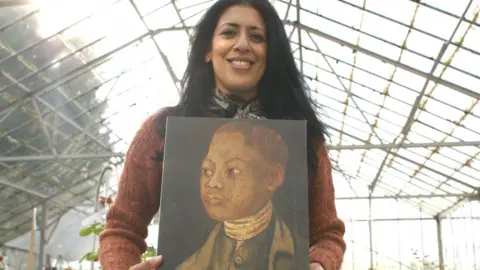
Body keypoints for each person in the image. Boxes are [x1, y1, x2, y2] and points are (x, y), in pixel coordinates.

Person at [98, 0, 346, 269]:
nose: (242, 44)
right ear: (207, 50)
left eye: (256, 36)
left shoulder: (303, 138)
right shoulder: (160, 131)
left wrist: (320, 264)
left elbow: (328, 234)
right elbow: (122, 228)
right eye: (229, 32)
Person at [176, 121, 309, 270]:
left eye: (232, 171)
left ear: (273, 177)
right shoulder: (190, 265)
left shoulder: (301, 256)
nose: (213, 183)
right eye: (207, 170)